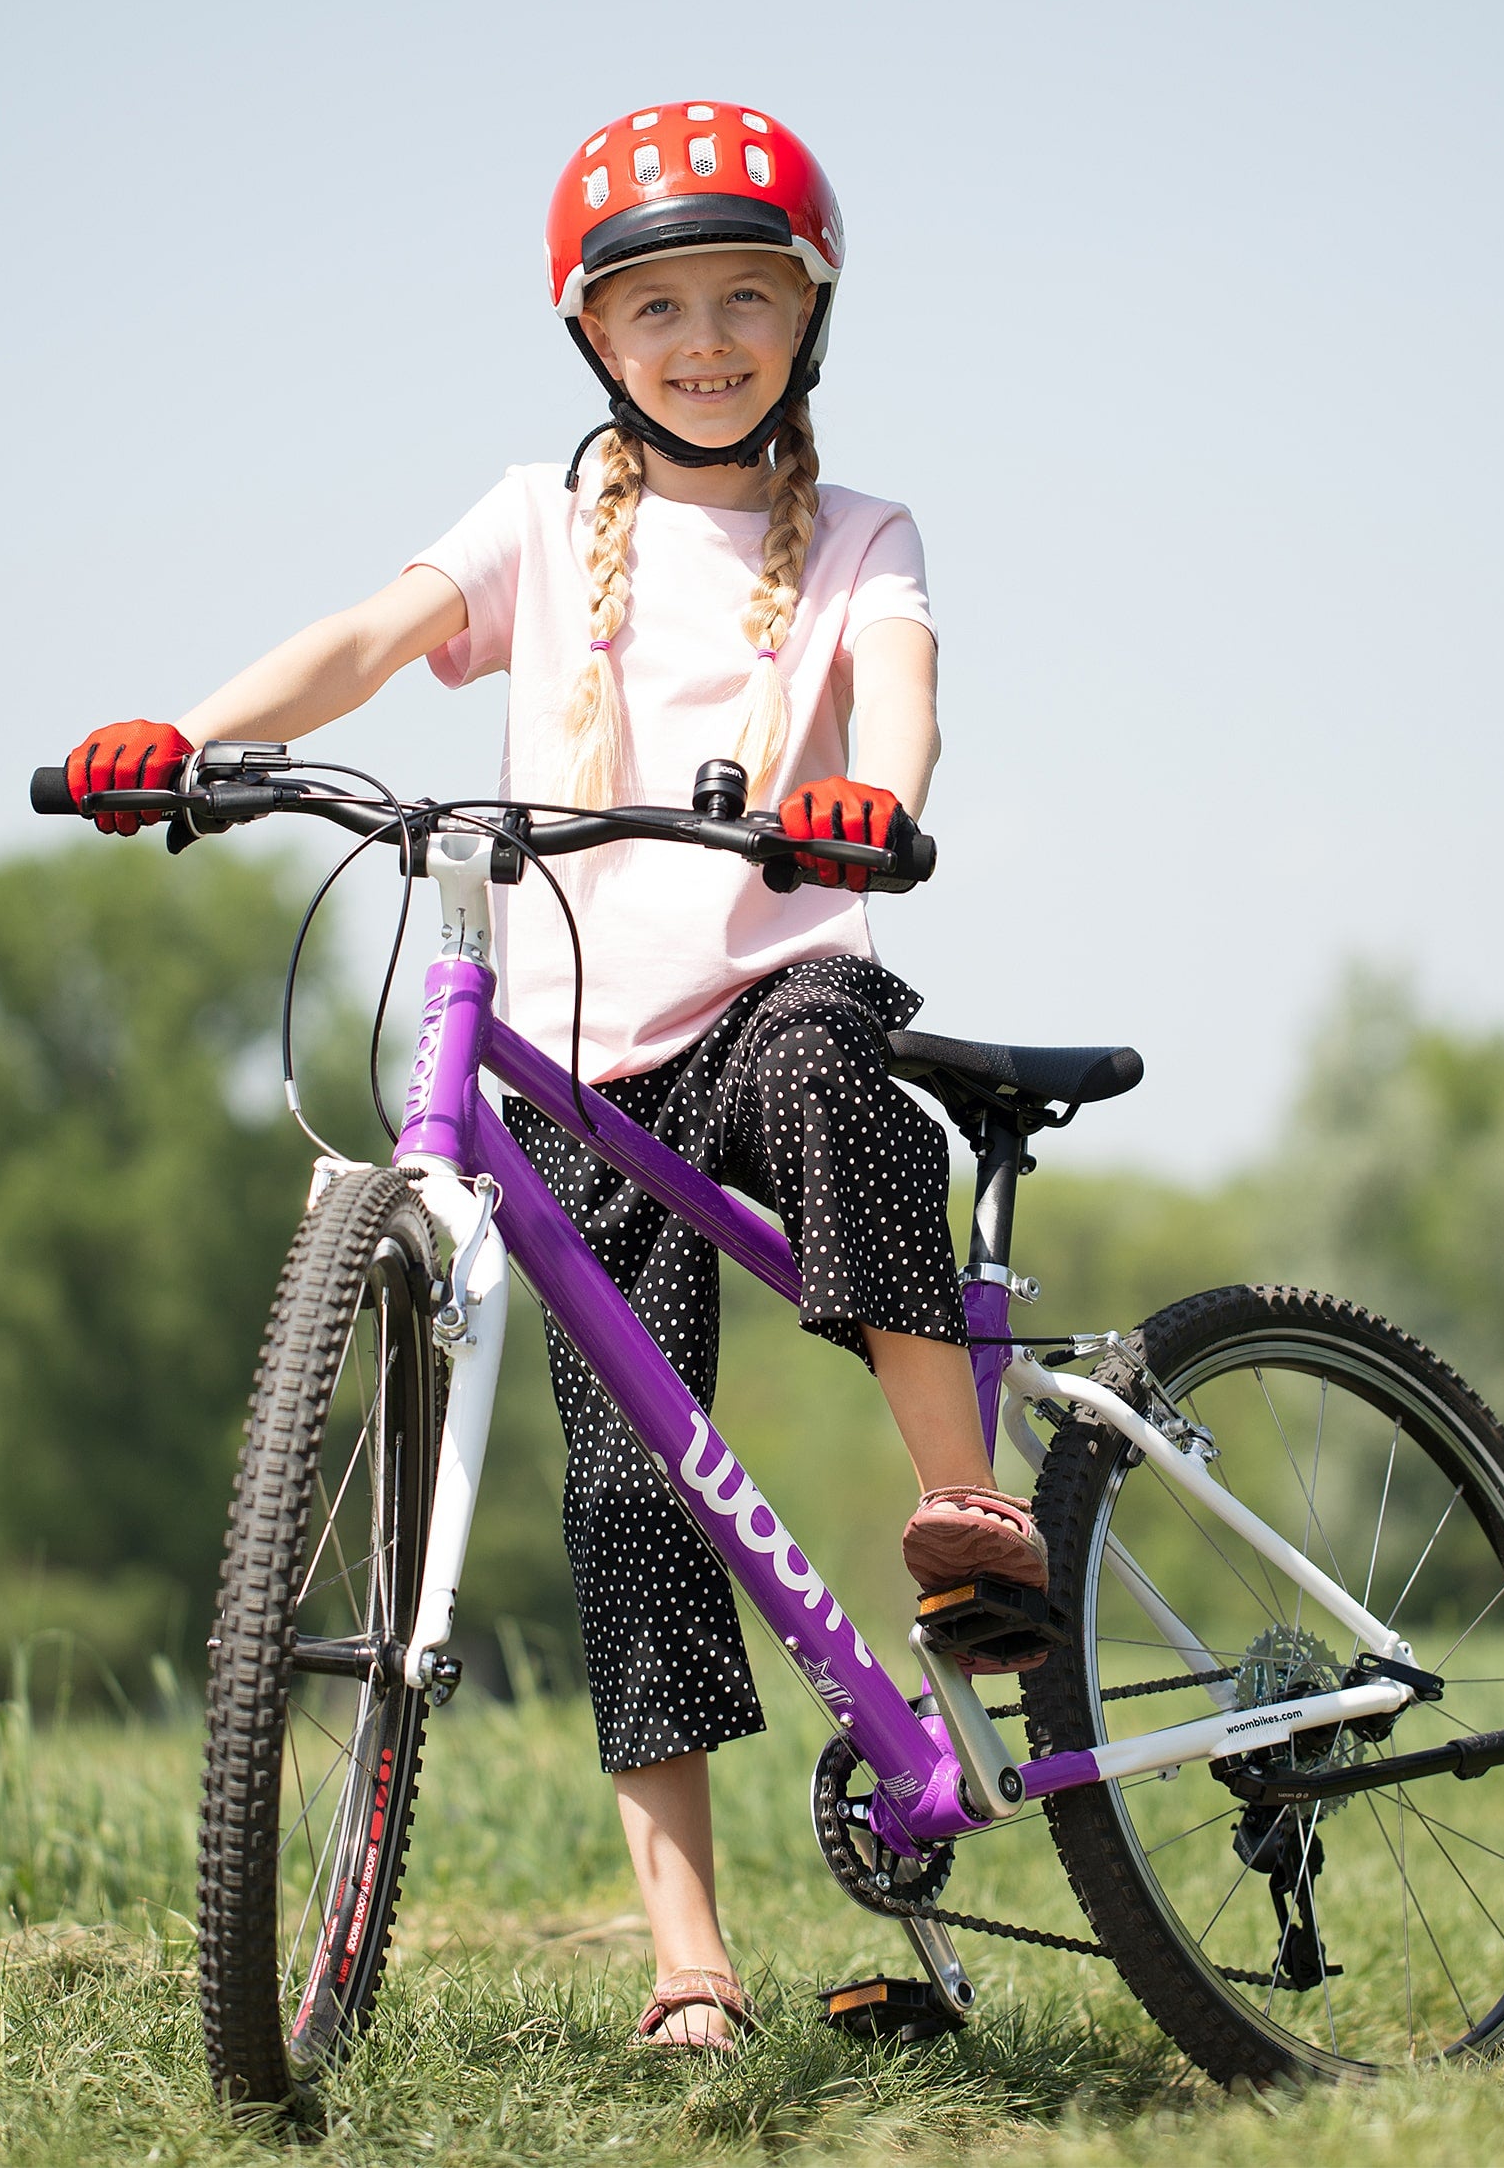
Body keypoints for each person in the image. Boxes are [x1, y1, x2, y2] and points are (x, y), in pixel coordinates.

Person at [60, 103, 1036, 2053]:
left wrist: (872, 799)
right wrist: (192, 733)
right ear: (595, 337)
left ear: (807, 319)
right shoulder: (533, 519)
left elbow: (909, 692)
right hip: (578, 1057)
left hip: (770, 984)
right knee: (620, 1497)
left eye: (744, 301)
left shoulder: (856, 533)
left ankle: (964, 1514)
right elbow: (367, 636)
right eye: (657, 305)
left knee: (842, 1087)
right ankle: (689, 1964)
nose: (702, 338)